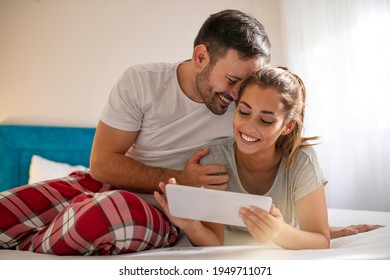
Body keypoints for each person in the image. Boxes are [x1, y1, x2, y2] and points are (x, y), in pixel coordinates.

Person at [0, 10, 378, 255]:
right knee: (10, 208)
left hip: (161, 207)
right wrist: (178, 175)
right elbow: (101, 166)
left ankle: (27, 249)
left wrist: (314, 230)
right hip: (104, 182)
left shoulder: (247, 113)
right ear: (200, 58)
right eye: (233, 82)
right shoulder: (142, 82)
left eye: (246, 86)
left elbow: (278, 153)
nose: (238, 101)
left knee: (105, 211)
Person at [154, 66, 382, 249]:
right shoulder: (215, 157)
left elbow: (321, 240)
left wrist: (280, 232)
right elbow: (215, 241)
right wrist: (191, 225)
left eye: (265, 120)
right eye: (244, 112)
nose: (249, 127)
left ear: (287, 126)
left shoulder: (301, 161)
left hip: (291, 232)